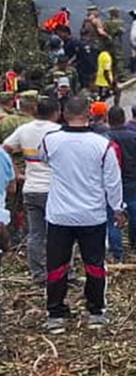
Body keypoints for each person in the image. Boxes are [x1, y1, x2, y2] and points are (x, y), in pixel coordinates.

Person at [42, 96, 124, 333]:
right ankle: (96, 311)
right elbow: (113, 181)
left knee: (57, 265)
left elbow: (45, 160)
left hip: (59, 215)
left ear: (63, 114)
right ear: (89, 114)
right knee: (95, 265)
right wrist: (117, 208)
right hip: (92, 215)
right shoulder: (103, 145)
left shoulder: (50, 141)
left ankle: (55, 314)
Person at [6, 97, 60, 284]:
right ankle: (59, 272)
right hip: (54, 190)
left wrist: (15, 172)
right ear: (56, 112)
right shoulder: (57, 131)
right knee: (59, 233)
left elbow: (5, 149)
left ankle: (37, 273)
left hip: (31, 189)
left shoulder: (24, 130)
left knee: (36, 233)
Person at [104, 108, 136, 262]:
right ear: (124, 118)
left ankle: (118, 255)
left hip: (112, 187)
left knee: (113, 222)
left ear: (108, 119)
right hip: (134, 185)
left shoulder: (103, 139)